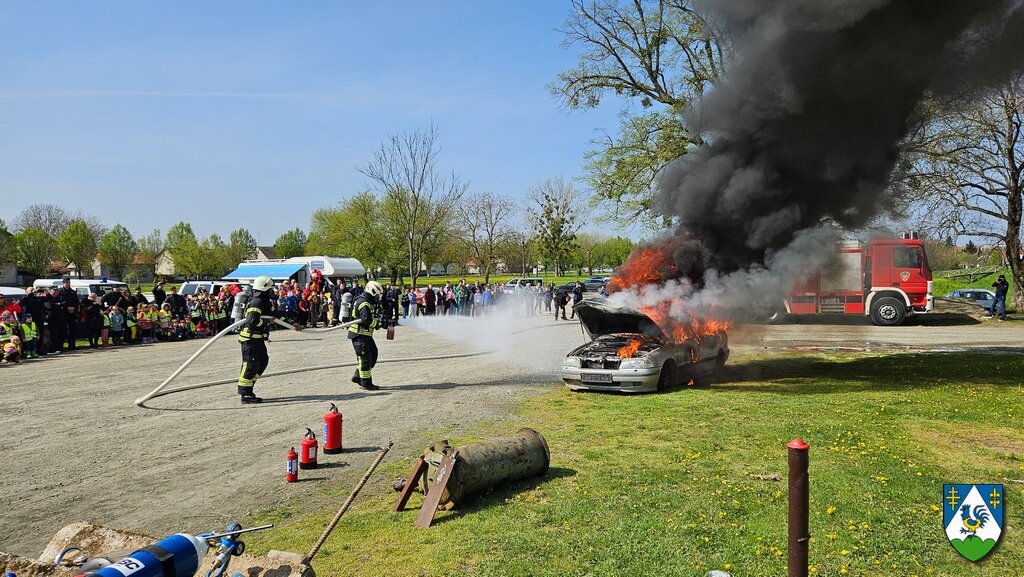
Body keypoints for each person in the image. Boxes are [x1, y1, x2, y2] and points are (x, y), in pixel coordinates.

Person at [236, 275, 301, 404]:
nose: (273, 291)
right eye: (270, 288)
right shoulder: (256, 302)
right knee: (251, 365)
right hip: (250, 339)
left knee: (262, 362)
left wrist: (292, 324)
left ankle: (248, 388)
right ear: (264, 288)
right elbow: (252, 321)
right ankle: (245, 393)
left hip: (258, 339)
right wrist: (267, 321)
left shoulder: (265, 302)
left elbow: (276, 316)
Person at [348, 280, 385, 391]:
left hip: (365, 335)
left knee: (373, 354)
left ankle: (357, 375)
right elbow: (366, 319)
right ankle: (366, 383)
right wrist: (377, 324)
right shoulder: (364, 303)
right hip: (359, 334)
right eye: (377, 295)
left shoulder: (365, 301)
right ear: (372, 292)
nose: (378, 298)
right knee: (365, 359)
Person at [56, 276, 80, 351]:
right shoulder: (59, 292)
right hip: (63, 313)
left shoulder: (72, 292)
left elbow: (76, 302)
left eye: (69, 282)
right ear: (63, 283)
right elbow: (59, 301)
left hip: (71, 313)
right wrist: (67, 307)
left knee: (71, 329)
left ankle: (72, 345)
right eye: (66, 282)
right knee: (62, 330)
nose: (68, 284)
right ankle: (60, 346)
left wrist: (73, 308)